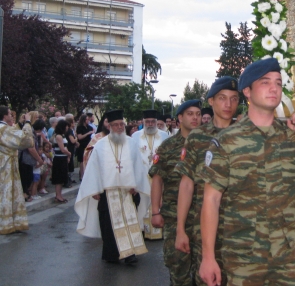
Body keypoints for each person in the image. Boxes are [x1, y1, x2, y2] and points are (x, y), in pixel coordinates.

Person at [199, 59, 295, 286]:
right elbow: (211, 199)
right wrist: (207, 257)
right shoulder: (227, 140)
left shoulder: (292, 137)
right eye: (265, 82)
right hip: (244, 256)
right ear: (247, 91)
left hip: (288, 256)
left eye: (278, 83)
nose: (274, 88)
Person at [176, 77, 239, 286]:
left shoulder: (246, 135)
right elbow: (186, 184)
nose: (228, 105)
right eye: (222, 98)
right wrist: (180, 228)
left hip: (241, 229)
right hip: (203, 229)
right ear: (211, 102)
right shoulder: (196, 138)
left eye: (234, 99)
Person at [75, 109, 150, 264]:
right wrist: (94, 189)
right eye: (116, 125)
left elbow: (138, 166)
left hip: (127, 192)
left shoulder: (131, 143)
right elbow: (93, 168)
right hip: (107, 193)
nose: (120, 127)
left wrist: (136, 184)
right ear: (109, 126)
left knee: (130, 222)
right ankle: (112, 254)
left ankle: (130, 255)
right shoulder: (100, 145)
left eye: (122, 124)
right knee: (108, 226)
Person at [149, 99, 202, 285]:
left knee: (203, 270)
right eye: (190, 114)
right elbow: (157, 179)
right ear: (179, 118)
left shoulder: (209, 145)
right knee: (178, 268)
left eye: (198, 114)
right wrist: (155, 211)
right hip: (173, 216)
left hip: (203, 217)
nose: (195, 118)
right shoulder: (167, 146)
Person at [131, 109, 169, 240]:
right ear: (143, 122)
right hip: (141, 177)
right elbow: (132, 157)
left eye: (153, 121)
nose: (151, 124)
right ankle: (142, 230)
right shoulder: (135, 136)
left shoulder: (164, 136)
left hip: (158, 177)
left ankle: (158, 230)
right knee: (142, 205)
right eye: (147, 122)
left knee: (158, 203)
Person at [0, 107, 34, 234]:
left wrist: (20, 124)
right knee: (7, 193)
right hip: (6, 167)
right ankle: (6, 224)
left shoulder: (5, 129)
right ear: (4, 116)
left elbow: (13, 135)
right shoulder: (3, 129)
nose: (12, 116)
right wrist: (28, 122)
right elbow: (25, 140)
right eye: (10, 114)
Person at [51, 119, 72, 203]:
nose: (67, 128)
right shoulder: (58, 136)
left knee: (62, 178)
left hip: (63, 158)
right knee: (59, 178)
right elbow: (62, 149)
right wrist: (69, 153)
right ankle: (58, 196)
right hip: (59, 159)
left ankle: (60, 195)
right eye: (66, 126)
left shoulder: (62, 136)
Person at [76, 114, 94, 181]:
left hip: (88, 145)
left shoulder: (89, 127)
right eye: (86, 119)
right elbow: (80, 137)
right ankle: (81, 175)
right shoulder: (80, 127)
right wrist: (88, 133)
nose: (88, 120)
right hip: (82, 145)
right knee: (82, 160)